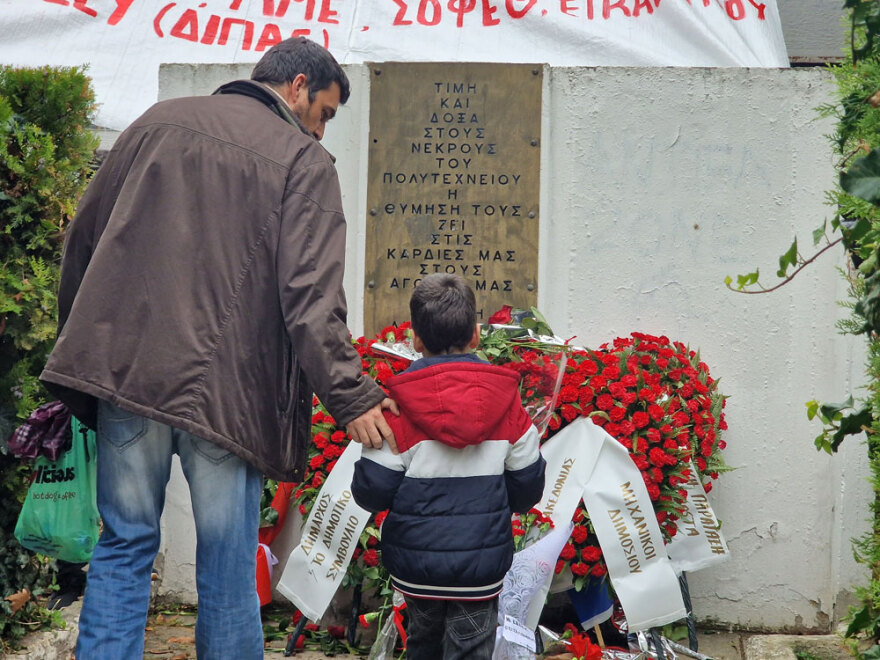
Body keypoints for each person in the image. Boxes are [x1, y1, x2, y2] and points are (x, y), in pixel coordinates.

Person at [40, 37, 396, 659]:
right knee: (229, 567)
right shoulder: (301, 162)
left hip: (130, 378)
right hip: (227, 400)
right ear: (297, 86)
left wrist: (87, 359)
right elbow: (312, 300)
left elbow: (82, 247)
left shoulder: (154, 124)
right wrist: (352, 394)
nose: (321, 132)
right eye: (325, 113)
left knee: (123, 546)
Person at [351, 273, 546, 660]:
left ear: (416, 340)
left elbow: (371, 491)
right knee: (471, 648)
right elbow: (527, 490)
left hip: (416, 566)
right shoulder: (508, 406)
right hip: (481, 566)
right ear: (475, 335)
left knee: (422, 643)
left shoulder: (397, 408)